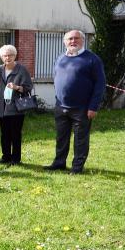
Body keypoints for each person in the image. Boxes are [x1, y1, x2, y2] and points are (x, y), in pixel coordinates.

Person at [44, 30, 105, 174]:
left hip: (82, 108)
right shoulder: (60, 58)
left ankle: (77, 167)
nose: (73, 41)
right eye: (70, 39)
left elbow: (100, 84)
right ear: (65, 42)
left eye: (76, 38)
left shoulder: (92, 59)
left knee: (80, 140)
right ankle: (59, 162)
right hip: (61, 106)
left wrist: (93, 106)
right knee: (61, 137)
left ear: (83, 40)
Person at [0, 45, 33, 165]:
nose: (7, 57)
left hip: (16, 108)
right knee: (4, 134)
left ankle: (16, 159)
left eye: (10, 55)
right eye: (5, 55)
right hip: (1, 107)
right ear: (1, 57)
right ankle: (6, 156)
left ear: (15, 55)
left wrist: (17, 87)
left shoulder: (21, 70)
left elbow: (29, 87)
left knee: (15, 134)